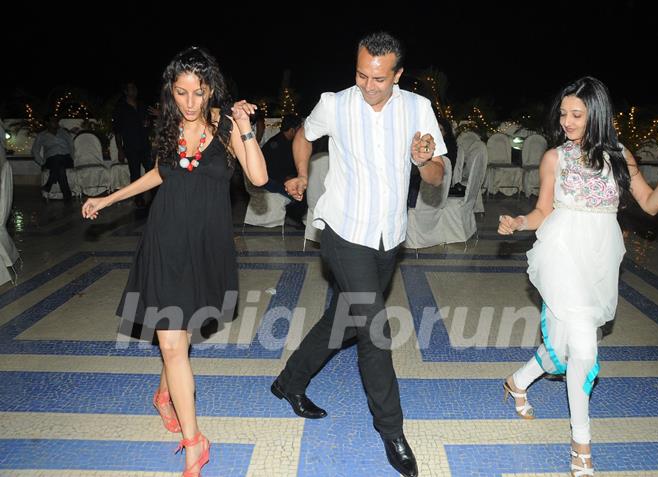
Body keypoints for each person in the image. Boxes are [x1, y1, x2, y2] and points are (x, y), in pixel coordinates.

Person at [81, 47, 268, 477]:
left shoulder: (224, 127)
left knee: (177, 339)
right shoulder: (167, 127)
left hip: (206, 246)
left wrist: (247, 129)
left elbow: (257, 179)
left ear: (209, 91)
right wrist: (108, 199)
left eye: (197, 93)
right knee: (171, 342)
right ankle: (194, 443)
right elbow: (159, 174)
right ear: (171, 92)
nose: (188, 103)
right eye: (180, 93)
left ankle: (165, 395)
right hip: (165, 241)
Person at [273, 32, 446, 477]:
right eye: (361, 74)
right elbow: (302, 137)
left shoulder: (417, 108)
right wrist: (299, 173)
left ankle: (288, 382)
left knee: (342, 321)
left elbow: (434, 175)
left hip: (389, 236)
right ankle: (391, 431)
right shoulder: (335, 104)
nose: (368, 86)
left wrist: (424, 158)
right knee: (375, 329)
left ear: (398, 75)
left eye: (379, 78)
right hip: (343, 230)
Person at [498, 76, 658, 476]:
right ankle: (580, 443)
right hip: (562, 253)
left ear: (596, 114)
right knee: (583, 349)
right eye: (563, 113)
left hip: (599, 259)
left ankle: (516, 382)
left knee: (563, 348)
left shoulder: (621, 155)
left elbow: (650, 206)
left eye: (576, 114)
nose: (566, 121)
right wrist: (519, 221)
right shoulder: (555, 157)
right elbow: (543, 210)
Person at [112, 81, 154, 207]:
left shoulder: (142, 105)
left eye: (135, 88)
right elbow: (117, 131)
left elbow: (149, 122)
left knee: (151, 171)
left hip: (145, 145)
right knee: (135, 173)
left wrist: (148, 125)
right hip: (131, 146)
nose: (134, 90)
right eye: (131, 88)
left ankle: (155, 196)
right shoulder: (120, 108)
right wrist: (120, 149)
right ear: (126, 91)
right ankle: (138, 198)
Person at [261, 114, 306, 222]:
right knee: (299, 193)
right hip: (269, 181)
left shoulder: (288, 142)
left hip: (280, 178)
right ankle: (295, 219)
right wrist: (288, 178)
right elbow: (271, 170)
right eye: (299, 129)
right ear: (292, 130)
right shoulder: (275, 143)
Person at [31, 116, 74, 201]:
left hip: (66, 158)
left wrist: (72, 159)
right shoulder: (42, 135)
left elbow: (71, 146)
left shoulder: (64, 133)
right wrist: (42, 163)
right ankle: (67, 196)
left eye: (56, 121)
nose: (55, 122)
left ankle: (48, 185)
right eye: (53, 121)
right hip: (51, 160)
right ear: (47, 123)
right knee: (60, 168)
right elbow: (35, 150)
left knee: (59, 163)